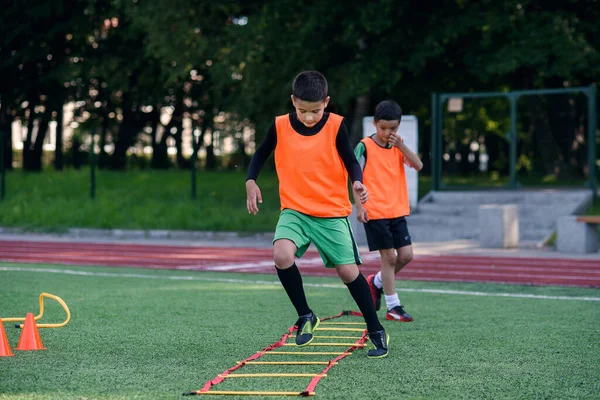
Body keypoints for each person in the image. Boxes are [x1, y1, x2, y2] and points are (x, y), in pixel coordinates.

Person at [245, 71, 389, 358]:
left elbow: (350, 159)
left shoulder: (336, 126)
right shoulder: (281, 125)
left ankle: (375, 329)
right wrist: (250, 180)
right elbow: (261, 153)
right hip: (295, 209)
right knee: (281, 255)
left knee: (348, 272)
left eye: (315, 111)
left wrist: (357, 180)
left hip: (330, 212)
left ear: (326, 102)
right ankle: (305, 315)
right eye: (301, 111)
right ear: (292, 102)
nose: (308, 117)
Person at [353, 100, 423, 322]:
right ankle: (393, 307)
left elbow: (418, 165)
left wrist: (402, 146)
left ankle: (376, 282)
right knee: (390, 258)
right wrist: (360, 207)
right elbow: (355, 178)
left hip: (397, 210)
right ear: (374, 124)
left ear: (398, 127)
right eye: (382, 128)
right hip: (375, 212)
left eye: (392, 128)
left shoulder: (398, 147)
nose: (387, 132)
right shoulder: (364, 146)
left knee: (406, 255)